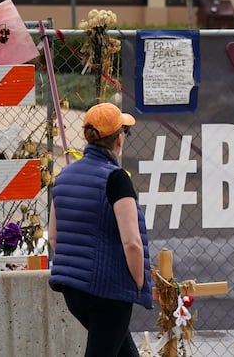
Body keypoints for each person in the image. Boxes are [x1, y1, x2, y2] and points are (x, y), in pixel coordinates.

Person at [50, 102, 153, 357]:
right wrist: (138, 282)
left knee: (124, 352)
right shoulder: (116, 179)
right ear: (119, 139)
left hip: (73, 290)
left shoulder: (64, 177)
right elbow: (132, 242)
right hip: (109, 291)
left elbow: (53, 237)